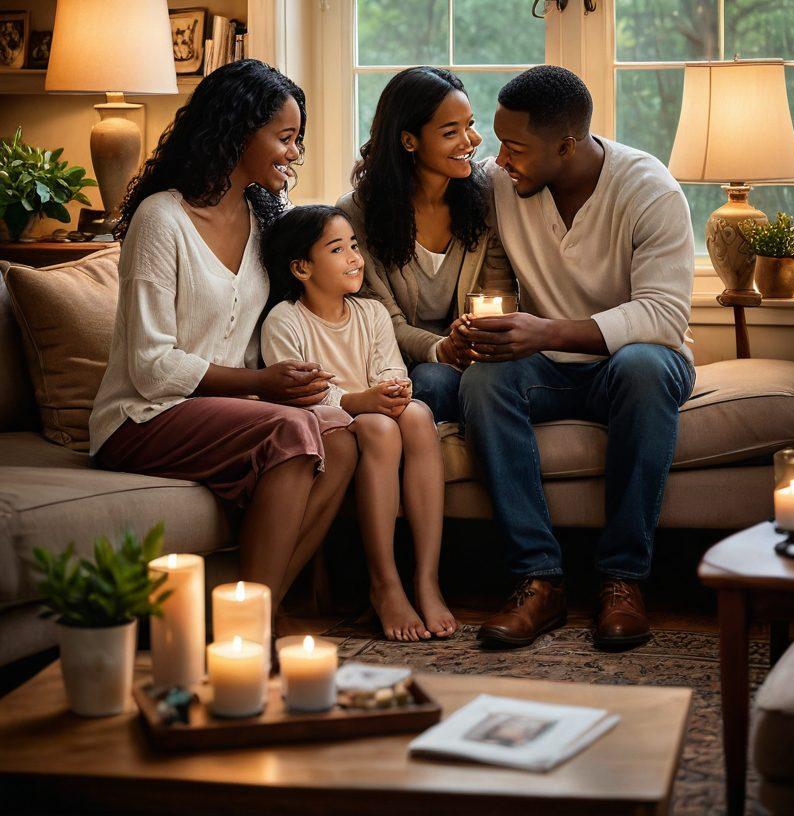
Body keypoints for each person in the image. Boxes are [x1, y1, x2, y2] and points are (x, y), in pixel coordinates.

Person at [89, 60, 358, 631]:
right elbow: (150, 365)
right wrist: (262, 387)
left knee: (340, 433)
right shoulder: (162, 219)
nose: (293, 152)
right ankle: (253, 629)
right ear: (237, 132)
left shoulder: (264, 221)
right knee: (292, 429)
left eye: (298, 139)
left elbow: (274, 329)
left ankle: (253, 612)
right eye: (284, 138)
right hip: (143, 415)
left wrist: (320, 387)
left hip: (232, 410)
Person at [454, 65, 695, 651]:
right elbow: (413, 190)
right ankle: (537, 579)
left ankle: (623, 579)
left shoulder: (649, 189)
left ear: (567, 144)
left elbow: (665, 317)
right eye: (499, 142)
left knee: (643, 365)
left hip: (637, 365)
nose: (501, 160)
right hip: (548, 368)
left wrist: (546, 331)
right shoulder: (504, 183)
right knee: (483, 383)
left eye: (515, 148)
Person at [260, 204, 457, 643]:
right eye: (337, 249)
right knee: (380, 428)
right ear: (301, 267)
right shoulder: (285, 321)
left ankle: (426, 579)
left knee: (420, 415)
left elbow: (391, 371)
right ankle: (384, 583)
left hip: (371, 408)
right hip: (328, 423)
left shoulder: (370, 313)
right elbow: (302, 393)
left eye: (354, 246)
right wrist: (359, 401)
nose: (354, 258)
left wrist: (391, 391)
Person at [338, 66, 514, 425]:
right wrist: (440, 348)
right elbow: (384, 320)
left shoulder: (486, 198)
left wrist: (474, 339)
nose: (471, 140)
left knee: (489, 380)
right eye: (452, 132)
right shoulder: (357, 213)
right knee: (432, 380)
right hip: (402, 363)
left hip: (475, 358)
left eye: (470, 124)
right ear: (409, 140)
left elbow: (497, 291)